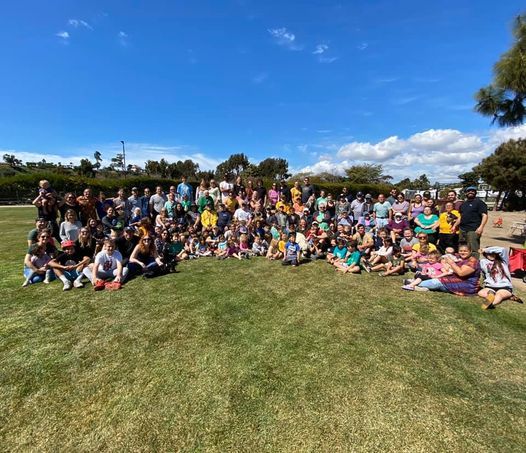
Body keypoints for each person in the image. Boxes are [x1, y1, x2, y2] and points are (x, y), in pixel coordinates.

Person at [411, 243, 481, 295]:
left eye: (465, 251)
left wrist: (451, 263)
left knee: (436, 282)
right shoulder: (458, 257)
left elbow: (461, 273)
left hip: (465, 285)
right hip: (451, 279)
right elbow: (442, 258)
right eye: (461, 251)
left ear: (470, 251)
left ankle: (414, 284)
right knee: (436, 279)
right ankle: (417, 283)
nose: (462, 253)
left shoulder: (473, 261)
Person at [459, 186, 488, 259]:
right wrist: (454, 226)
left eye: (472, 191)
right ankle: (464, 262)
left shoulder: (479, 203)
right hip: (462, 229)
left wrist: (481, 227)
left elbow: (484, 215)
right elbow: (461, 217)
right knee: (462, 247)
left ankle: (474, 265)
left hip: (473, 229)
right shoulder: (463, 204)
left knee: (473, 248)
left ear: (475, 192)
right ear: (466, 193)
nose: (470, 192)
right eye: (469, 191)